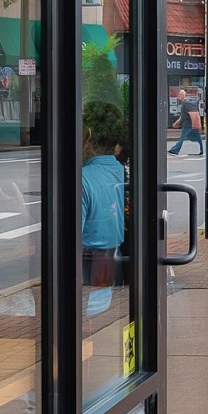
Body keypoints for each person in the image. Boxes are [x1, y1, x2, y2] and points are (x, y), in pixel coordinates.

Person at [82, 101, 127, 315]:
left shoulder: (83, 179)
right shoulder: (119, 171)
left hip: (85, 288)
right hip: (109, 279)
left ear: (88, 134)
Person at [169, 85, 204, 156]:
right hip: (189, 125)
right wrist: (176, 123)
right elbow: (183, 116)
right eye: (178, 94)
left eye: (179, 94)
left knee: (182, 138)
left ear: (183, 95)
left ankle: (175, 150)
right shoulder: (184, 104)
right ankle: (201, 150)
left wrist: (196, 125)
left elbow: (194, 113)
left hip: (189, 125)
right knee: (197, 137)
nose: (178, 96)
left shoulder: (186, 103)